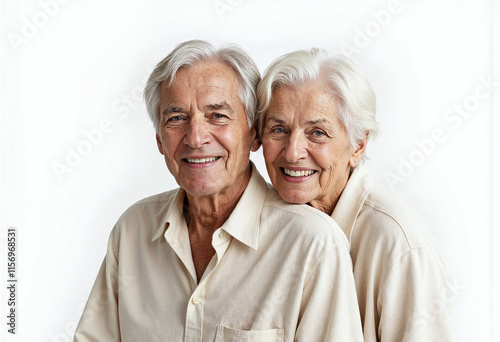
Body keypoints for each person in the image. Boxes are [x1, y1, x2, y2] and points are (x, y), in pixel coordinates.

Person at [74, 40, 363, 341]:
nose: (196, 137)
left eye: (218, 116)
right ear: (159, 139)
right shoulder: (132, 230)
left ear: (254, 134)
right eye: (176, 118)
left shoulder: (313, 243)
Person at [257, 48, 455, 341]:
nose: (293, 151)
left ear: (358, 146)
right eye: (278, 129)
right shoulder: (254, 224)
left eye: (317, 133)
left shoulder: (400, 246)